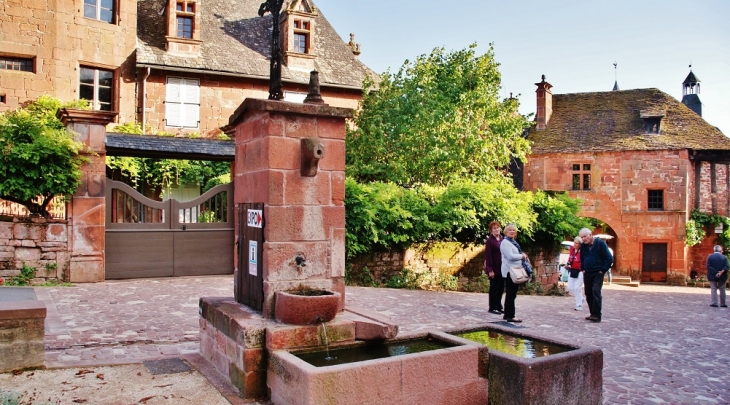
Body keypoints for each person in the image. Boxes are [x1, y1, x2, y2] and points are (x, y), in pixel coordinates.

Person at [579, 228, 613, 322]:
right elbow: (582, 258)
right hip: (587, 272)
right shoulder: (583, 246)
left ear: (590, 235)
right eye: (582, 237)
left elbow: (609, 258)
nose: (584, 239)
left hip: (598, 272)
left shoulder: (599, 243)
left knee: (595, 291)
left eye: (585, 236)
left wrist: (602, 270)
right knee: (588, 292)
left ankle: (597, 315)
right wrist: (583, 268)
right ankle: (592, 313)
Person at [500, 224, 528, 323]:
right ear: (506, 232)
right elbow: (510, 256)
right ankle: (510, 315)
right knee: (511, 294)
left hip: (515, 269)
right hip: (510, 271)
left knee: (512, 294)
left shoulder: (513, 242)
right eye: (510, 230)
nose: (512, 231)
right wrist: (521, 256)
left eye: (513, 230)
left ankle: (507, 314)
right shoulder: (505, 242)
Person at [484, 221, 504, 315]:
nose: (496, 230)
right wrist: (490, 270)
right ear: (491, 230)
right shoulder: (490, 241)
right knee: (494, 288)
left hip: (502, 268)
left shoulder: (501, 239)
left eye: (497, 228)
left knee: (500, 288)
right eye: (494, 228)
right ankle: (492, 307)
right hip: (494, 268)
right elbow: (488, 256)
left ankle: (499, 306)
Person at [566, 236, 584, 311]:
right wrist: (567, 264)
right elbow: (570, 258)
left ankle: (579, 305)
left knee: (577, 288)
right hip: (572, 270)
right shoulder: (572, 249)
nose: (575, 244)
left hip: (580, 271)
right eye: (574, 243)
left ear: (580, 244)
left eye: (577, 243)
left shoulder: (582, 251)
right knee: (570, 287)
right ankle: (581, 298)